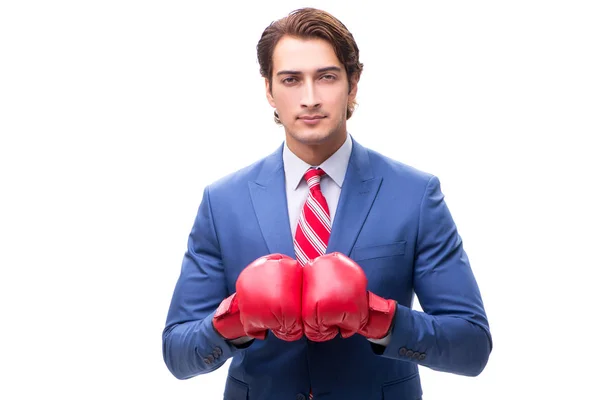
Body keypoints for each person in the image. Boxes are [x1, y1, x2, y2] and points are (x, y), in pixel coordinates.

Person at [162, 7, 492, 400]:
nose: (310, 98)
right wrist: (235, 319)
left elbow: (472, 346)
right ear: (269, 89)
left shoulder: (415, 195)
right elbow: (178, 353)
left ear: (353, 84)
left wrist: (377, 318)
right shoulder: (223, 202)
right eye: (291, 80)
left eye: (327, 77)